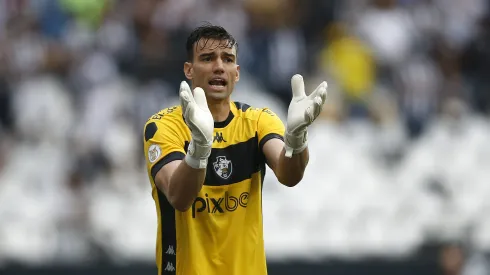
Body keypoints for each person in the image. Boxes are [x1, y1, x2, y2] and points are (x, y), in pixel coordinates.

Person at [143, 24, 328, 275]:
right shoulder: (163, 127)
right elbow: (179, 197)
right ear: (189, 69)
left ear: (237, 72)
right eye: (207, 58)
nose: (219, 66)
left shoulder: (257, 121)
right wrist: (199, 147)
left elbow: (290, 175)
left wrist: (297, 139)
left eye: (227, 59)